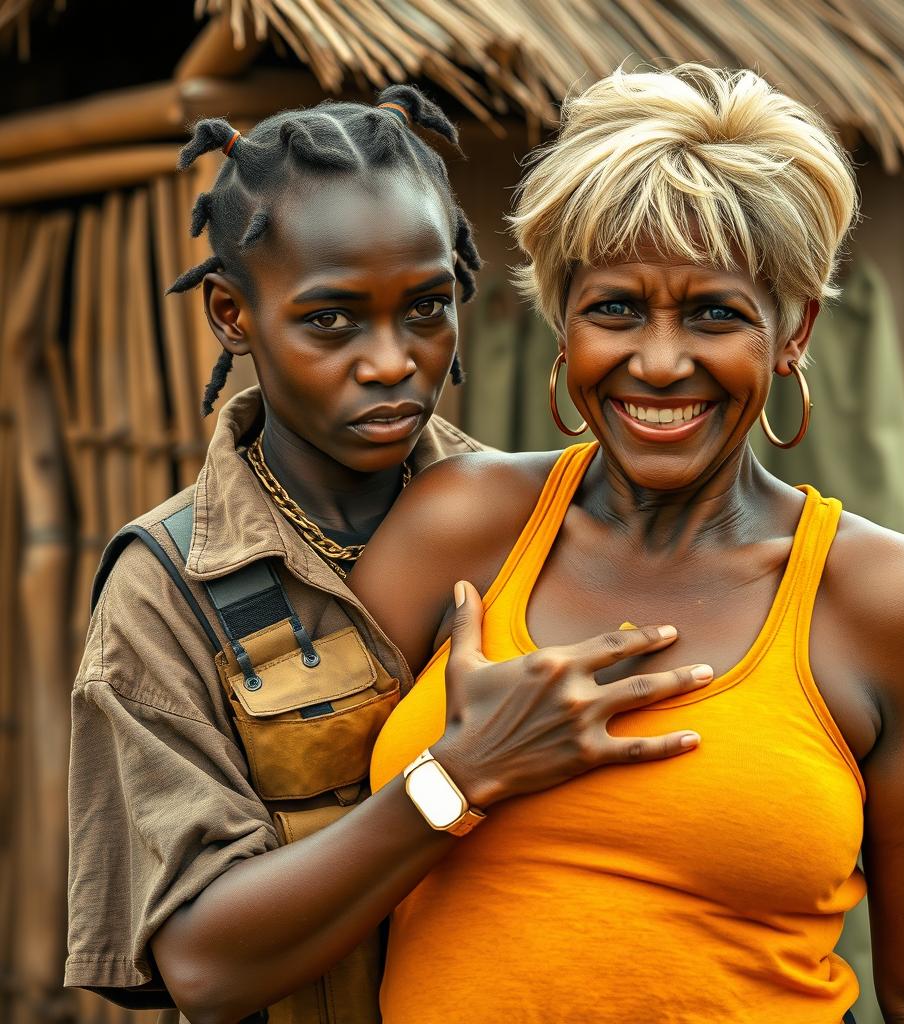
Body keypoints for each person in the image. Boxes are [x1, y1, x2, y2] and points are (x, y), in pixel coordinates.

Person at [356, 66, 904, 1023]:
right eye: (616, 308)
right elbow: (296, 849)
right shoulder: (457, 531)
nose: (660, 364)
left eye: (716, 313)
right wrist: (458, 774)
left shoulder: (891, 607)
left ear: (793, 331)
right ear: (562, 318)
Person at [66, 88, 710, 1024]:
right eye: (331, 320)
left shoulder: (544, 523)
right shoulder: (168, 591)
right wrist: (457, 778)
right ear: (232, 315)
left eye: (426, 308)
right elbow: (206, 967)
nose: (390, 360)